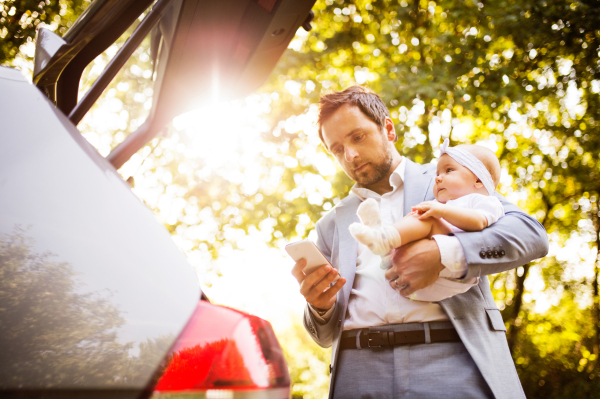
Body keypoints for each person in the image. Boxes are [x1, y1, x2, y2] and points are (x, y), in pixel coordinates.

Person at [290, 86, 548, 399]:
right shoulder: (331, 223)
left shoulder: (446, 180)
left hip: (453, 361)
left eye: (357, 137)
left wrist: (445, 252)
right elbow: (324, 334)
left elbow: (531, 234)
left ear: (388, 128)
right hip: (358, 374)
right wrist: (319, 307)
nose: (351, 156)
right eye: (337, 149)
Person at [348, 138, 506, 302]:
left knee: (427, 218)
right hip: (411, 279)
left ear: (478, 180)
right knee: (416, 217)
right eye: (438, 173)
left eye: (449, 170)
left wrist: (441, 211)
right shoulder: (447, 204)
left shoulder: (486, 201)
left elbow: (479, 222)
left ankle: (383, 237)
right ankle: (384, 245)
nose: (437, 178)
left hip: (451, 272)